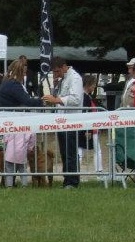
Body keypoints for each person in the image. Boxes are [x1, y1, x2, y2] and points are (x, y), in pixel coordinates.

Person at [42, 56, 83, 189]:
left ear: (64, 67)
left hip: (72, 121)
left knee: (70, 152)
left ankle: (72, 181)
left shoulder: (75, 78)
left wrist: (57, 100)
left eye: (57, 71)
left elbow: (76, 99)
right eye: (54, 72)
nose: (56, 74)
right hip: (62, 121)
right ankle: (67, 180)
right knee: (65, 152)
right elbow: (58, 96)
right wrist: (55, 88)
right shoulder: (63, 79)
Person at [79, 74, 104, 179]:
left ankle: (77, 173)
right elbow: (86, 114)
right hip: (89, 129)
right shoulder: (85, 97)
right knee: (85, 151)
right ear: (88, 85)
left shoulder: (85, 96)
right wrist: (88, 130)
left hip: (90, 128)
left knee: (82, 151)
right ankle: (99, 173)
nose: (94, 87)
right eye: (93, 84)